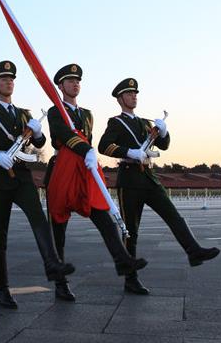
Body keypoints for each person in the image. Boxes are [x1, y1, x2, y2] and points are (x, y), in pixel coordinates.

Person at [0, 60, 74, 309]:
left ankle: (52, 264)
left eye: (11, 79)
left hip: (22, 177)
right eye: (3, 79)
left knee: (39, 219)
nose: (8, 82)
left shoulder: (24, 113)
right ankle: (2, 290)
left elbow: (40, 145)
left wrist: (39, 132)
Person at [98, 78, 220, 295]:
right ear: (120, 98)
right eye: (129, 93)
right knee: (130, 231)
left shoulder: (145, 123)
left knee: (174, 216)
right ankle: (130, 278)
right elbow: (104, 146)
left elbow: (163, 145)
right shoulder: (115, 122)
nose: (134, 96)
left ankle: (193, 251)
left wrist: (164, 132)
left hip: (149, 178)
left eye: (135, 93)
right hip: (130, 180)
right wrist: (129, 152)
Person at [45, 64, 148, 301]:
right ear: (60, 86)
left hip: (84, 169)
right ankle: (61, 284)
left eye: (77, 80)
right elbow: (63, 135)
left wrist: (88, 155)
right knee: (58, 229)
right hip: (63, 170)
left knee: (103, 216)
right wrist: (85, 148)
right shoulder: (55, 111)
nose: (75, 84)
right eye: (69, 81)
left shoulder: (87, 114)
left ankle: (123, 262)